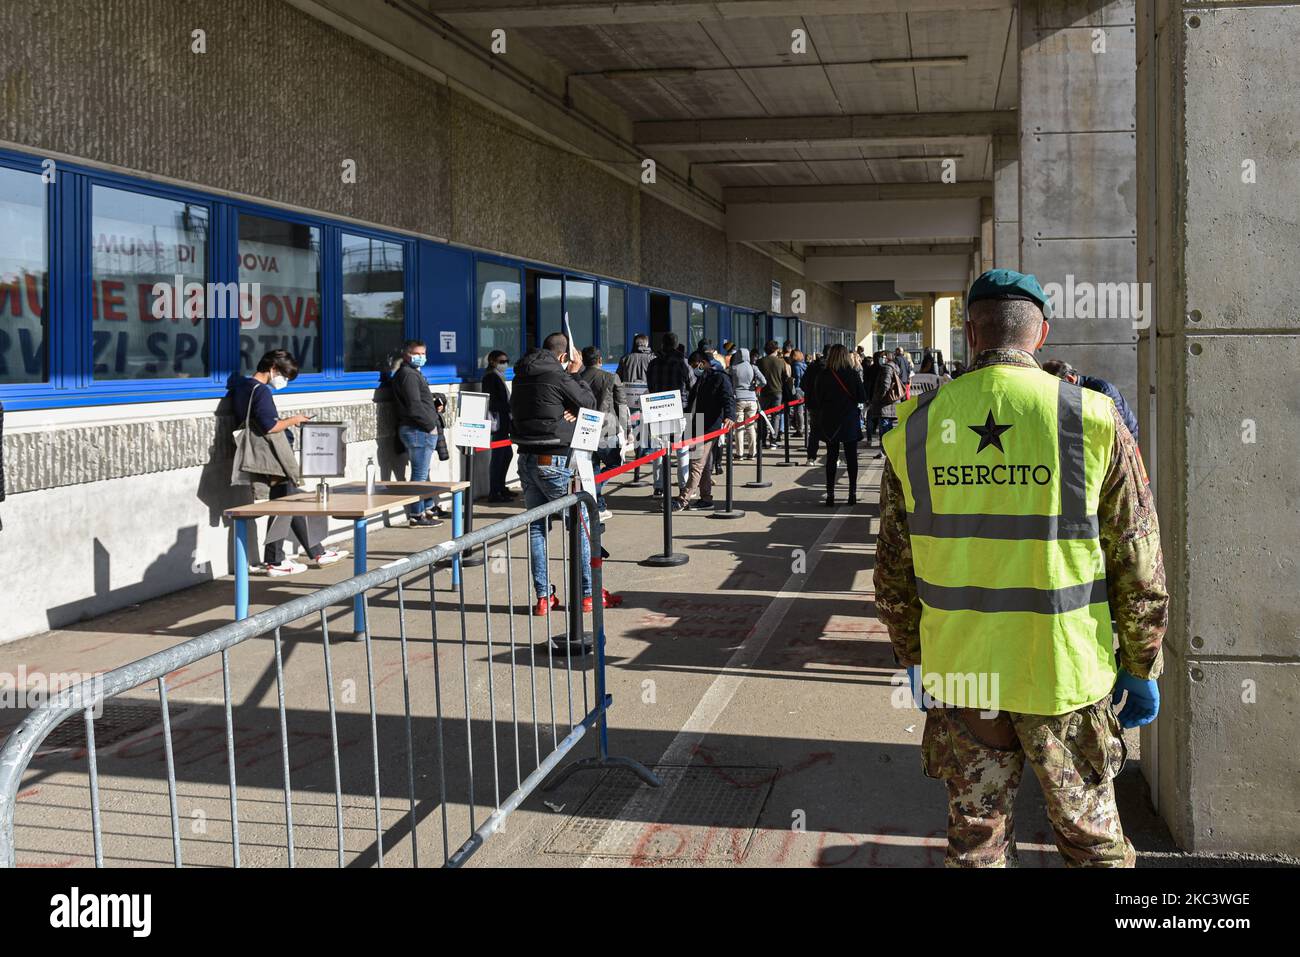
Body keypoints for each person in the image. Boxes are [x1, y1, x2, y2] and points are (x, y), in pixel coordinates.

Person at [874, 268, 1168, 868]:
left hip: (963, 675)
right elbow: (1137, 560)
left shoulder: (917, 427)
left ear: (970, 334)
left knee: (976, 842)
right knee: (1093, 845)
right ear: (1041, 334)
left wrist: (913, 656)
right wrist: (1142, 664)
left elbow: (893, 573)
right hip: (1062, 670)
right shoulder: (1091, 418)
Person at [511, 333, 613, 618]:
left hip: (526, 457)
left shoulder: (520, 375)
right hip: (555, 458)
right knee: (580, 524)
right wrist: (577, 374)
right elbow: (588, 401)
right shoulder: (558, 374)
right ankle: (588, 594)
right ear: (564, 356)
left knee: (536, 529)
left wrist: (567, 406)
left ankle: (543, 598)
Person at [229, 349, 347, 575]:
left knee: (287, 502)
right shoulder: (261, 391)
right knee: (286, 503)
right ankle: (277, 560)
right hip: (271, 457)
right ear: (273, 368)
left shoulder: (243, 386)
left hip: (259, 455)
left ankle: (314, 553)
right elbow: (269, 426)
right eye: (284, 376)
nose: (284, 381)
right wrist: (295, 419)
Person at [391, 339, 447, 527]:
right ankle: (416, 514)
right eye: (417, 354)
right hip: (418, 430)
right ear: (407, 354)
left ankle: (429, 507)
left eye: (423, 353)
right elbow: (414, 406)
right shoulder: (408, 375)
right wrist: (430, 425)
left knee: (424, 472)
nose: (421, 357)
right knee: (419, 474)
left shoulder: (413, 373)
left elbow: (419, 402)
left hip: (418, 429)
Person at [678, 350, 736, 511]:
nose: (693, 369)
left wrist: (730, 416)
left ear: (702, 363)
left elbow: (728, 398)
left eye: (695, 366)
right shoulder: (699, 380)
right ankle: (706, 498)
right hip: (695, 424)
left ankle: (683, 499)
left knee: (696, 464)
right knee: (702, 464)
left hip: (708, 427)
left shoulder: (719, 377)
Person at [578, 345, 628, 520]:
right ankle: (596, 499)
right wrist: (627, 429)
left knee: (592, 468)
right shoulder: (610, 377)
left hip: (583, 431)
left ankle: (597, 505)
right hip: (607, 430)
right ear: (600, 360)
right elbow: (621, 406)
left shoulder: (576, 378)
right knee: (616, 464)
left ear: (583, 360)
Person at [815, 344, 867, 506]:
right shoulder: (852, 374)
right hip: (849, 419)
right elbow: (862, 397)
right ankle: (852, 492)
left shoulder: (823, 375)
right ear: (845, 356)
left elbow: (817, 398)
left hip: (830, 420)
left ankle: (830, 494)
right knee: (851, 457)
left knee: (832, 457)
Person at [645, 332, 695, 498]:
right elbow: (692, 385)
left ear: (662, 345)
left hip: (658, 411)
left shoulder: (653, 364)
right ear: (675, 345)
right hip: (680, 411)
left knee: (659, 449)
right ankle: (683, 488)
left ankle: (658, 488)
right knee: (682, 450)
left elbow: (650, 386)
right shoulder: (683, 363)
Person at [1042, 359, 1140, 441]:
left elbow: (1118, 429)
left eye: (1055, 388)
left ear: (1070, 379)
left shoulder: (1102, 391)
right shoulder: (1074, 391)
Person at [482, 349, 516, 503]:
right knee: (498, 457)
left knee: (506, 455)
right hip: (498, 422)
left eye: (506, 361)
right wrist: (508, 406)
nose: (504, 364)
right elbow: (492, 401)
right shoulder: (491, 377)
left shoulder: (499, 376)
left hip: (504, 421)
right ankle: (494, 491)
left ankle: (501, 487)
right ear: (493, 362)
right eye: (501, 361)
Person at [726, 347, 765, 459]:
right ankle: (752, 453)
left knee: (739, 427)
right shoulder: (753, 367)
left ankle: (739, 453)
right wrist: (756, 388)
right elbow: (764, 381)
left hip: (738, 399)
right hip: (752, 399)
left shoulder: (733, 368)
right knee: (751, 427)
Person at [866, 350, 903, 456]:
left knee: (885, 427)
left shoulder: (887, 368)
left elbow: (885, 385)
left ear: (887, 358)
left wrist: (877, 399)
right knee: (887, 427)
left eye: (882, 357)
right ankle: (887, 449)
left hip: (885, 404)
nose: (880, 359)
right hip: (891, 403)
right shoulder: (894, 367)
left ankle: (885, 450)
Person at [756, 340, 789, 445]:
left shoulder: (760, 362)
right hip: (777, 391)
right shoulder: (780, 362)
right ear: (775, 349)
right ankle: (773, 439)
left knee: (762, 415)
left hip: (764, 392)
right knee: (776, 416)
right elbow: (785, 378)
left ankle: (762, 438)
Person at [800, 351, 825, 465]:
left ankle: (811, 458)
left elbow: (803, 384)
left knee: (814, 432)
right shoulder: (832, 368)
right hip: (829, 405)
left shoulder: (811, 367)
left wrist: (810, 394)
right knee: (832, 432)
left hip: (813, 405)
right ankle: (834, 457)